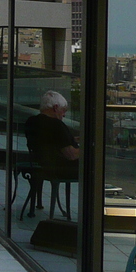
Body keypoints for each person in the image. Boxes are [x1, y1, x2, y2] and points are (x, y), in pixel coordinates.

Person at [23, 90, 79, 218]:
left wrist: (72, 139)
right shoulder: (57, 125)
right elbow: (71, 155)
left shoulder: (32, 121)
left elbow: (49, 141)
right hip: (59, 168)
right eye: (63, 110)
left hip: (40, 164)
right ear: (55, 108)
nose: (64, 115)